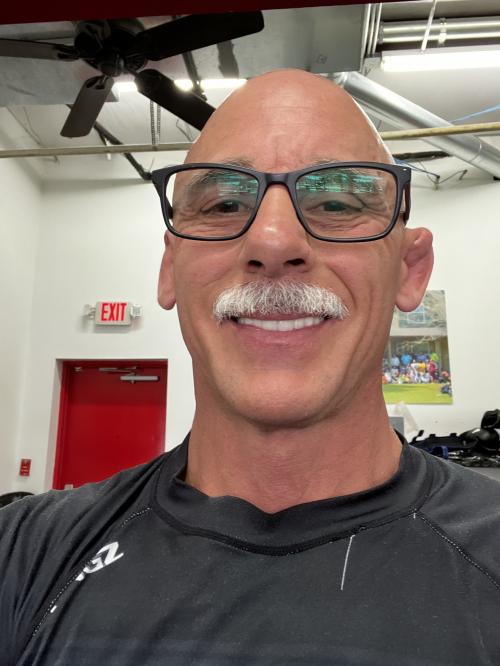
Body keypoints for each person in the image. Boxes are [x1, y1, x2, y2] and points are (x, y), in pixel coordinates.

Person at [1, 69, 499, 665]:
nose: (272, 241)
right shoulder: (20, 557)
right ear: (169, 269)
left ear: (410, 270)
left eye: (336, 202)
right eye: (225, 204)